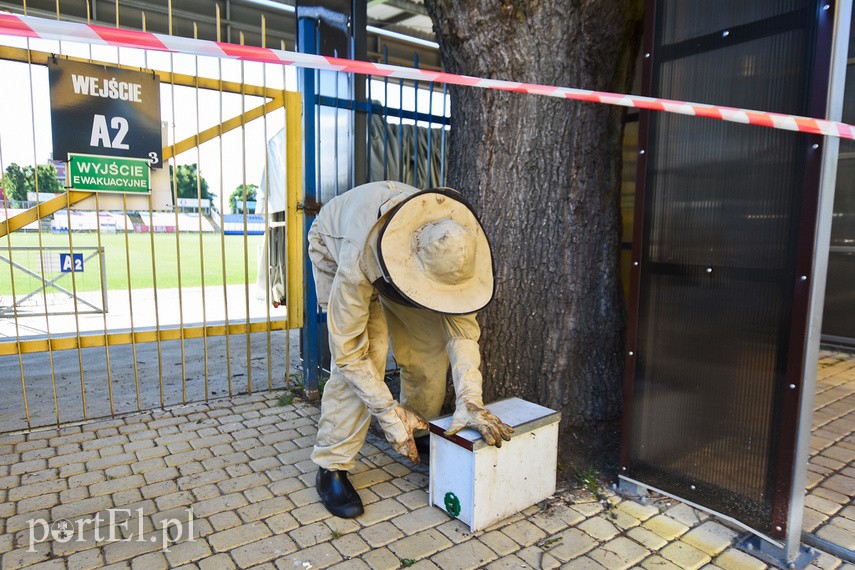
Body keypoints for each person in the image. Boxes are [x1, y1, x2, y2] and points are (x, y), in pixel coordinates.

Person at [307, 180, 514, 518]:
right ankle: (332, 466)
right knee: (365, 360)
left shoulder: (455, 247)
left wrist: (470, 401)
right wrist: (386, 412)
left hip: (402, 261)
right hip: (338, 246)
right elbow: (348, 352)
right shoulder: (357, 255)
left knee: (426, 351)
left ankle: (416, 429)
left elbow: (463, 335)